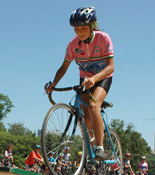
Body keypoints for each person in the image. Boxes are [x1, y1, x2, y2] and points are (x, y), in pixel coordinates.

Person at [45, 6, 114, 161]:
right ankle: (91, 139)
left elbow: (111, 66)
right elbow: (63, 67)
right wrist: (54, 83)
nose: (80, 32)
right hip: (85, 79)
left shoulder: (103, 38)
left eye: (83, 28)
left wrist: (95, 79)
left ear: (92, 26)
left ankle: (100, 148)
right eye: (76, 29)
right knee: (84, 113)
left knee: (93, 105)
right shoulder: (73, 45)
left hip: (103, 77)